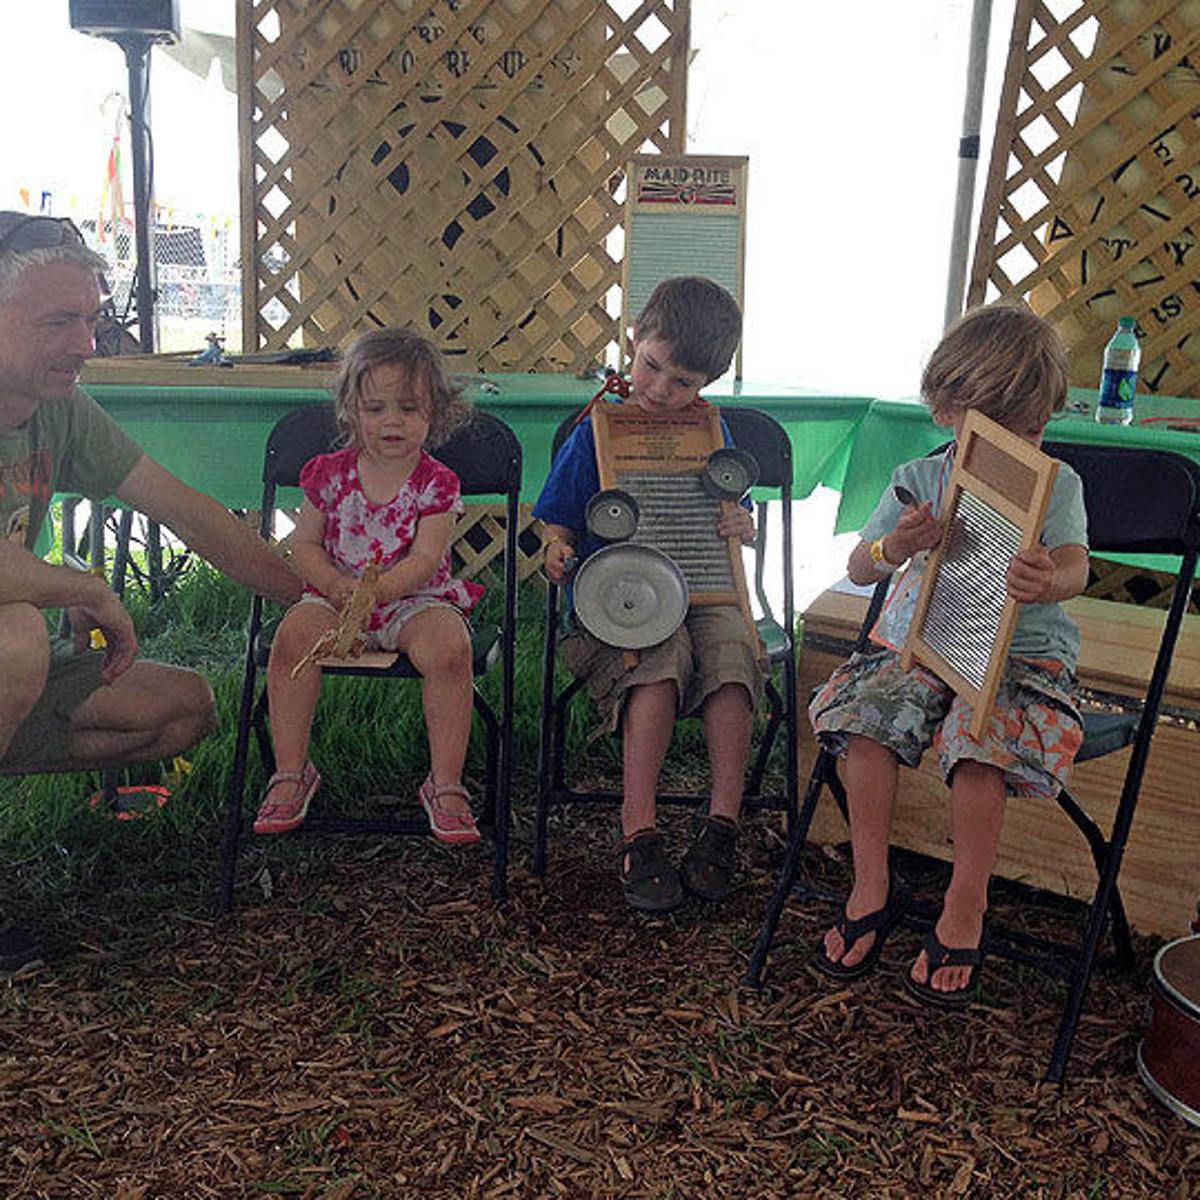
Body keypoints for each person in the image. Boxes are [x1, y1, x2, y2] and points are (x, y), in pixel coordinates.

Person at [0, 211, 302, 971]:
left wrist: (320, 595)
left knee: (180, 707)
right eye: (60, 321)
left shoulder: (59, 409)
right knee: (16, 637)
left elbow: (186, 510)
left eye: (92, 319)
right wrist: (84, 586)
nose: (86, 345)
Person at [809, 301, 1090, 1007]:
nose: (1030, 442)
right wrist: (897, 546)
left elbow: (1076, 567)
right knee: (869, 721)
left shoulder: (1055, 486)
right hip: (919, 644)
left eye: (1037, 426)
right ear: (948, 413)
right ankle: (872, 879)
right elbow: (862, 564)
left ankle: (967, 901)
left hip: (1020, 660)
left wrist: (1046, 579)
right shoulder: (920, 477)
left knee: (977, 738)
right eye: (1007, 430)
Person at [534, 276, 759, 913]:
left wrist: (741, 523)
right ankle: (639, 826)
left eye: (681, 382)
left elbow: (732, 514)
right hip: (621, 601)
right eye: (651, 367)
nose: (659, 389)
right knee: (656, 667)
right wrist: (556, 548)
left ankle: (721, 825)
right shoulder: (599, 429)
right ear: (634, 339)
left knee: (733, 662)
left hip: (703, 592)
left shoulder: (713, 435)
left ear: (707, 383)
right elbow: (559, 517)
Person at [253, 328, 484, 845]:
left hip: (413, 601)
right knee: (293, 638)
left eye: (408, 408)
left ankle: (445, 782)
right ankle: (291, 771)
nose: (391, 422)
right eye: (375, 408)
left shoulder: (436, 482)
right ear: (351, 411)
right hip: (334, 596)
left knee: (450, 649)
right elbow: (304, 545)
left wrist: (378, 592)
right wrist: (336, 585)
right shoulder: (328, 474)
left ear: (434, 412)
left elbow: (426, 558)